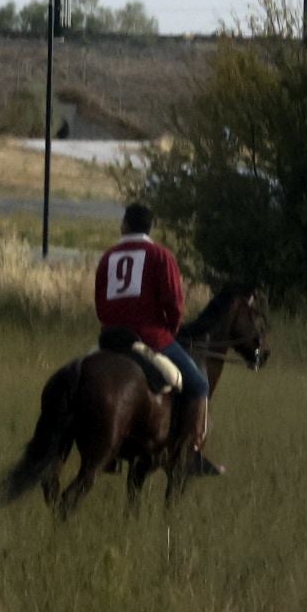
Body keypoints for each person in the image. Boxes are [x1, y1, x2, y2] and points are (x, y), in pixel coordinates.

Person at [94, 202, 222, 477]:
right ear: (150, 227)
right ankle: (191, 453)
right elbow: (175, 303)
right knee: (199, 384)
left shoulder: (108, 257)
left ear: (124, 225)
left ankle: (104, 452)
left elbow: (101, 306)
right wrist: (170, 330)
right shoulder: (160, 255)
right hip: (150, 338)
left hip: (110, 339)